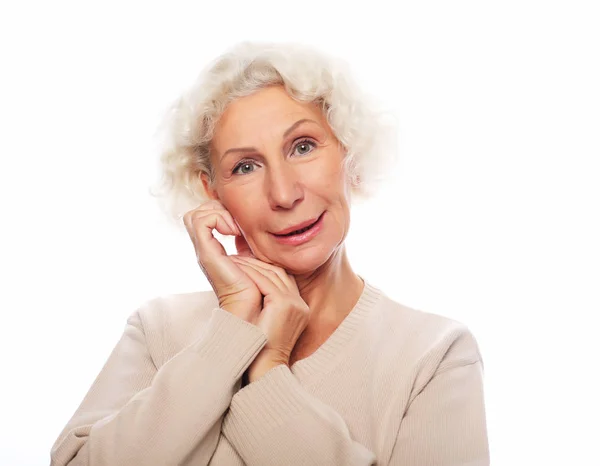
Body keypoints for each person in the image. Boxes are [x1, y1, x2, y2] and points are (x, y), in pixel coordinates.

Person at [50, 41, 490, 466]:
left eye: (303, 147)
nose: (283, 193)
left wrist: (266, 373)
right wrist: (230, 333)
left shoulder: (433, 355)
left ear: (348, 153)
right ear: (213, 193)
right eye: (245, 166)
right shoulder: (159, 329)